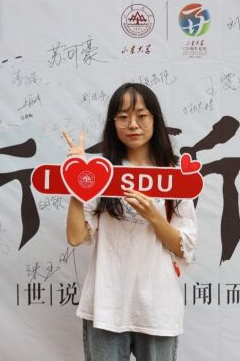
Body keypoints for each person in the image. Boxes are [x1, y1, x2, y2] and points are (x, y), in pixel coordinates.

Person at [63, 83, 198, 361]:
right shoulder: (102, 172)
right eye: (123, 117)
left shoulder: (174, 174)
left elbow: (183, 246)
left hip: (157, 309)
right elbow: (76, 237)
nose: (132, 124)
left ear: (154, 120)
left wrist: (153, 215)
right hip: (106, 305)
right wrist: (78, 182)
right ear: (113, 123)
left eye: (141, 115)